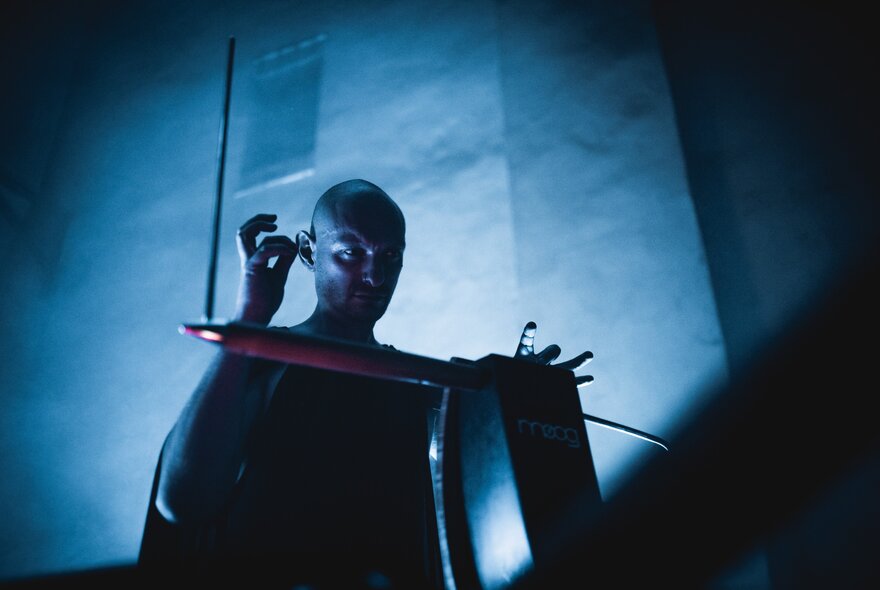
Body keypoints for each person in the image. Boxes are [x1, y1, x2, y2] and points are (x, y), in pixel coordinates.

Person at [138, 179, 592, 588]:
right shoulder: (266, 359)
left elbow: (465, 499)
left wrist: (517, 399)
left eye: (390, 255)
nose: (375, 276)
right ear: (310, 251)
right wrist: (250, 321)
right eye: (352, 252)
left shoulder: (417, 383)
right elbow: (183, 501)